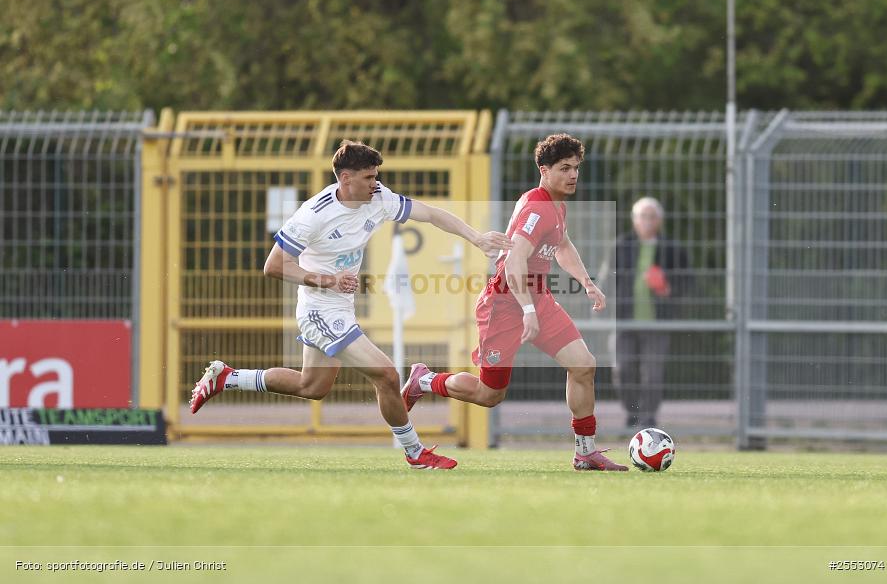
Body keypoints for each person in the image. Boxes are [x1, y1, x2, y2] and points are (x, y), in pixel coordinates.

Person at [189, 140, 512, 470]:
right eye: (369, 177)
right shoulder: (313, 216)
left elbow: (429, 214)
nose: (376, 183)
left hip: (339, 306)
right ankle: (415, 453)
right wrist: (328, 281)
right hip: (319, 309)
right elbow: (273, 266)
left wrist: (476, 238)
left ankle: (227, 378)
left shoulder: (378, 198)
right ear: (345, 178)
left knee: (310, 386)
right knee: (387, 375)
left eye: (376, 176)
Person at [401, 133, 628, 472]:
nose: (573, 175)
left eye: (576, 168)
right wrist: (528, 310)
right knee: (488, 395)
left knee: (584, 365)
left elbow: (563, 246)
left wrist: (587, 282)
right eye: (564, 168)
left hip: (538, 297)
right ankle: (424, 380)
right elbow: (514, 261)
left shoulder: (557, 206)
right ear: (543, 170)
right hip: (505, 304)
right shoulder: (537, 207)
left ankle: (585, 452)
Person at [612, 197, 690, 429]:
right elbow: (608, 278)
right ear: (634, 221)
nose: (647, 221)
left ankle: (648, 417)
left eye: (652, 216)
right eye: (642, 216)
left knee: (653, 373)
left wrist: (668, 288)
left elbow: (687, 281)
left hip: (658, 322)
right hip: (623, 321)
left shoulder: (672, 249)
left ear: (660, 221)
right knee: (623, 369)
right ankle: (633, 413)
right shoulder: (622, 245)